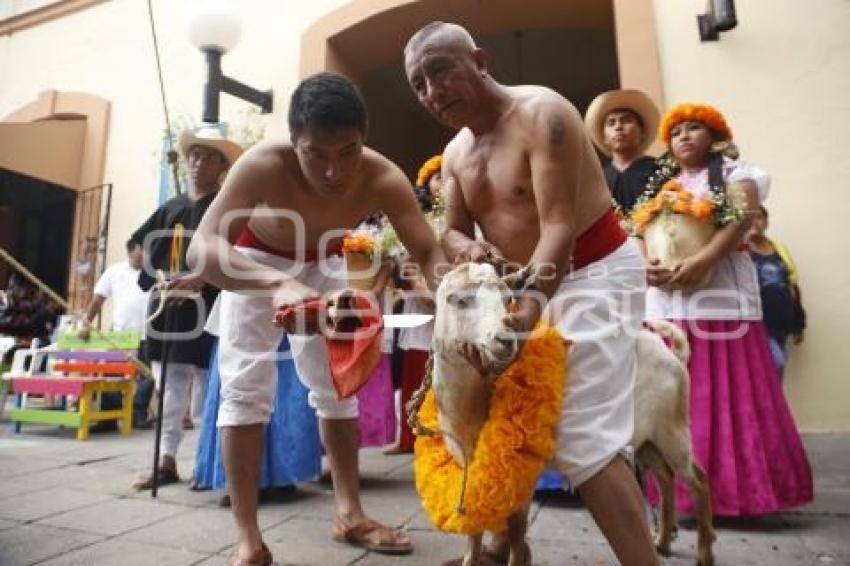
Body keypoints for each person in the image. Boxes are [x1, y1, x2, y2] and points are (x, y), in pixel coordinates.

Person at [404, 22, 657, 566]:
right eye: (419, 84)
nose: (432, 92)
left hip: (595, 274)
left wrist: (520, 320)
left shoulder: (543, 114)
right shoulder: (453, 155)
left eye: (440, 70)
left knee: (581, 438)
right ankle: (500, 547)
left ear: (480, 60)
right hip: (526, 284)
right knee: (498, 409)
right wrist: (467, 249)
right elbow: (451, 229)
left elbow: (559, 232)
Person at [187, 72, 445, 565]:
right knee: (245, 389)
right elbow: (203, 249)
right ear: (293, 141)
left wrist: (452, 296)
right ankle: (248, 540)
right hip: (255, 261)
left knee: (335, 384)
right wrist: (275, 283)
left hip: (327, 263)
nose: (333, 171)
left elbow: (427, 247)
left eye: (347, 152)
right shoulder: (262, 165)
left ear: (363, 138)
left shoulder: (382, 175)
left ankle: (349, 512)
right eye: (316, 155)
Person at [637, 102, 812, 516]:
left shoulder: (739, 175)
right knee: (675, 393)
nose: (684, 137)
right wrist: (646, 263)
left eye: (694, 128)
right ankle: (680, 495)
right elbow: (640, 229)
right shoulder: (661, 182)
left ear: (714, 136)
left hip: (722, 303)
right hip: (671, 303)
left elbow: (740, 220)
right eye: (676, 131)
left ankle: (741, 494)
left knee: (729, 391)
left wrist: (704, 261)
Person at [131, 126, 243, 489]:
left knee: (208, 386)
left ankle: (205, 464)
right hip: (167, 307)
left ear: (222, 166)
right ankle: (165, 460)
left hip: (207, 309)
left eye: (210, 156)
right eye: (195, 155)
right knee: (169, 387)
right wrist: (150, 265)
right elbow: (136, 247)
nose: (199, 163)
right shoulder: (171, 207)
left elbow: (236, 255)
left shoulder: (226, 208)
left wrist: (200, 278)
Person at [80, 239, 152, 428]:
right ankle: (109, 418)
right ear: (130, 251)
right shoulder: (114, 271)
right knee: (112, 375)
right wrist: (87, 321)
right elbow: (98, 299)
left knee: (147, 377)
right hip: (120, 333)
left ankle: (138, 414)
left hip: (149, 333)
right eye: (141, 249)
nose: (145, 254)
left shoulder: (154, 273)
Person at [748, 205, 806, 380]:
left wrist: (799, 323)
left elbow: (792, 284)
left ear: (766, 222)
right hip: (756, 322)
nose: (754, 222)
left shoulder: (778, 247)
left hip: (781, 319)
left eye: (759, 217)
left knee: (775, 372)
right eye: (749, 218)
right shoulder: (739, 250)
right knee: (775, 364)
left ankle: (773, 407)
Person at [584, 89, 660, 214]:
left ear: (642, 132)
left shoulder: (659, 171)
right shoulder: (599, 180)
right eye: (611, 123)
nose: (618, 127)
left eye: (626, 120)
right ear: (605, 138)